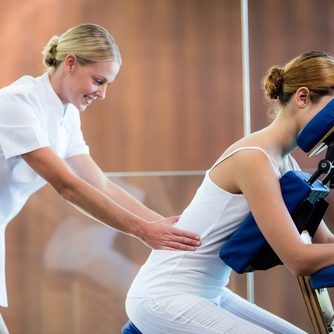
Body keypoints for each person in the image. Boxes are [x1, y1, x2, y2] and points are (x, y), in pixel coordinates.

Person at [0, 23, 201, 333]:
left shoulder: (67, 114)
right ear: (69, 63)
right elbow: (67, 185)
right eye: (98, 81)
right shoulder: (17, 102)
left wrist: (170, 231)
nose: (102, 93)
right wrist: (143, 231)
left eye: (107, 84)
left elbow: (101, 184)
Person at [124, 50, 334, 334]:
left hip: (210, 292)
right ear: (303, 97)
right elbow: (298, 259)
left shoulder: (286, 162)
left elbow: (324, 241)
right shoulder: (254, 159)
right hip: (165, 296)